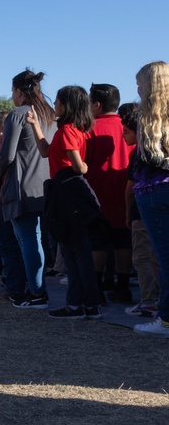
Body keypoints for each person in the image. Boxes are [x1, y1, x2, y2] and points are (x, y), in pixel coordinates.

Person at [25, 85, 102, 320]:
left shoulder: (68, 130)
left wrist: (84, 168)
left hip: (67, 190)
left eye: (57, 101)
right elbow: (46, 152)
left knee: (75, 251)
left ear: (66, 106)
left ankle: (82, 304)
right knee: (74, 249)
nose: (54, 105)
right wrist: (35, 125)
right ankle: (82, 304)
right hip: (66, 191)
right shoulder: (73, 130)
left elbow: (78, 166)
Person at [0, 69, 55, 309]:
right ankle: (36, 289)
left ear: (19, 91)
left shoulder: (18, 114)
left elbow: (6, 154)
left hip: (21, 185)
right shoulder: (49, 114)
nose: (11, 95)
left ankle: (37, 292)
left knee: (27, 239)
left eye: (12, 91)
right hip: (46, 184)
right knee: (37, 239)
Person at [84, 83, 134, 304]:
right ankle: (122, 287)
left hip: (98, 192)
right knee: (123, 241)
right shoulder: (129, 126)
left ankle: (96, 289)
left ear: (96, 104)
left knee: (98, 243)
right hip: (127, 190)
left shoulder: (90, 128)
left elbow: (81, 163)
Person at [131, 62, 169, 336]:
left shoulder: (147, 118)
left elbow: (150, 158)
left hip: (154, 191)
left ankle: (165, 319)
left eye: (140, 84)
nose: (137, 89)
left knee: (164, 258)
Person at [120, 104, 160, 317]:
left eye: (126, 132)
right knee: (157, 257)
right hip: (154, 213)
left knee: (142, 258)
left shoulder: (138, 154)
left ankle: (148, 301)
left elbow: (129, 189)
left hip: (140, 213)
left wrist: (128, 213)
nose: (123, 137)